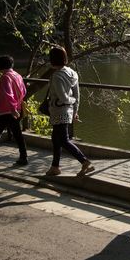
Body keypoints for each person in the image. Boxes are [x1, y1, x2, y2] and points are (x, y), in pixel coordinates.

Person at [42, 45, 94, 177]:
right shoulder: (72, 73)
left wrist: (69, 101)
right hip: (67, 112)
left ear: (52, 59)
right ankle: (55, 167)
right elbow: (77, 95)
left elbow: (64, 98)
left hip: (59, 111)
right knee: (55, 139)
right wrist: (75, 110)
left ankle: (84, 161)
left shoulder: (57, 76)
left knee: (63, 140)